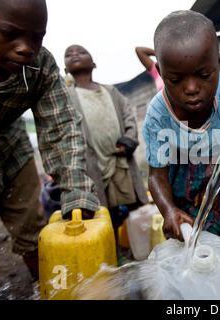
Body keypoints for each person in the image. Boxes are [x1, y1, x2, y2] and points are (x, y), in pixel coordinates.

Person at [0, 0, 100, 280]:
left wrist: (75, 189)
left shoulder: (40, 67)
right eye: (9, 34)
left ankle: (46, 287)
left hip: (9, 144)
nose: (26, 47)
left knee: (31, 228)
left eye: (36, 37)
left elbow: (61, 127)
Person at [142, 10, 220, 250]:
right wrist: (169, 211)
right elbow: (157, 175)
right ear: (161, 71)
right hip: (186, 198)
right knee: (195, 250)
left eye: (204, 75)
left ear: (218, 63)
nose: (191, 88)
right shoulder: (158, 114)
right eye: (175, 80)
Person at [64, 44, 149, 245]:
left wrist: (128, 139)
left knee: (127, 205)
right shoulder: (68, 97)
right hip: (92, 164)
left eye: (82, 52)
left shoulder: (110, 91)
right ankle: (110, 248)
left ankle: (130, 242)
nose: (75, 55)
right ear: (66, 70)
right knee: (100, 212)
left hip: (118, 159)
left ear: (93, 63)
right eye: (69, 54)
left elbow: (128, 116)